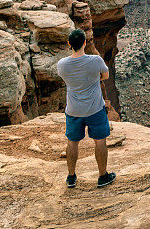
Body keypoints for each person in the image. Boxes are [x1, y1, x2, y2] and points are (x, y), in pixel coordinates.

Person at [56, 28, 116, 188]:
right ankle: (103, 176)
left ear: (69, 44)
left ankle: (71, 177)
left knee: (72, 142)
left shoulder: (62, 65)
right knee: (100, 141)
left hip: (73, 110)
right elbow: (105, 76)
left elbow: (65, 79)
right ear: (84, 42)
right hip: (95, 109)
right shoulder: (95, 61)